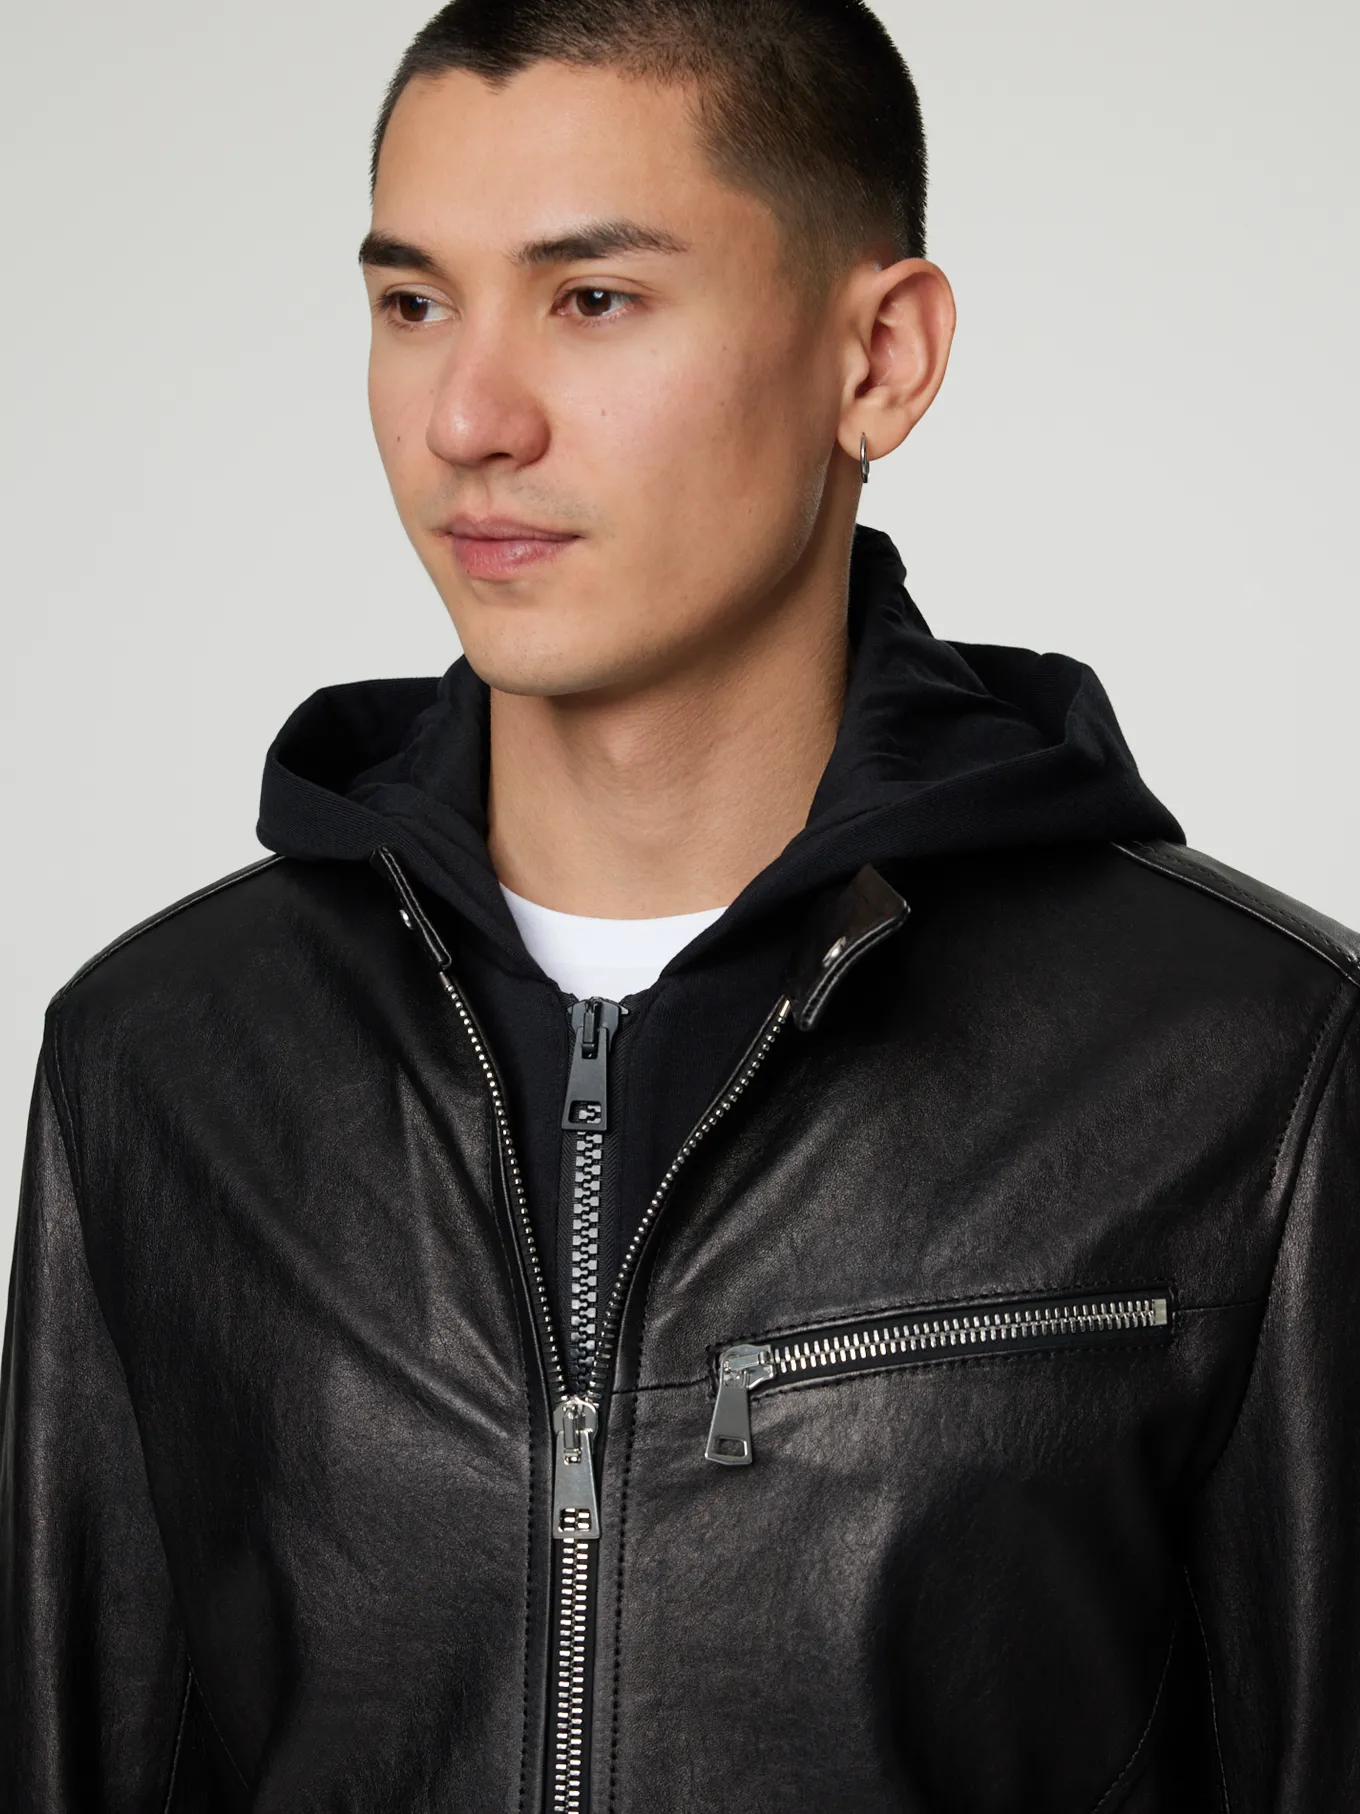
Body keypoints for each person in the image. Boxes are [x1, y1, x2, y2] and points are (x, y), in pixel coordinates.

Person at [3, 0, 1357, 1807]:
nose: (467, 419)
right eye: (412, 304)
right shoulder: (161, 1059)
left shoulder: (1253, 1067)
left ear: (879, 358)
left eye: (591, 298)